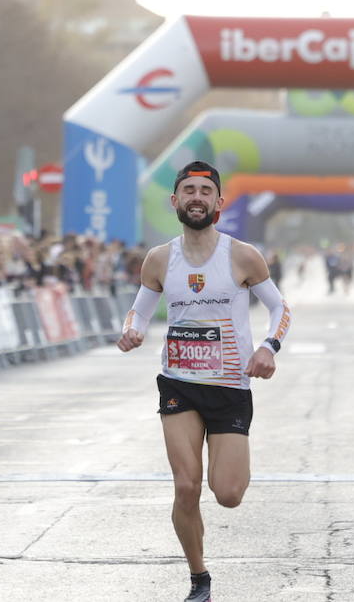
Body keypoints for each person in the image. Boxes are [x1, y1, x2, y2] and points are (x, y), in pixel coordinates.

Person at [117, 161, 291, 602]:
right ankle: (199, 579)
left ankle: (205, 558)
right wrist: (133, 328)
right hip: (179, 382)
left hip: (230, 386)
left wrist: (268, 347)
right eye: (188, 191)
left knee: (228, 493)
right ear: (175, 201)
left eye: (205, 191)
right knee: (186, 484)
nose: (197, 197)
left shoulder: (242, 255)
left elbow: (280, 309)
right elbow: (140, 308)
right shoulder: (159, 259)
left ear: (218, 202)